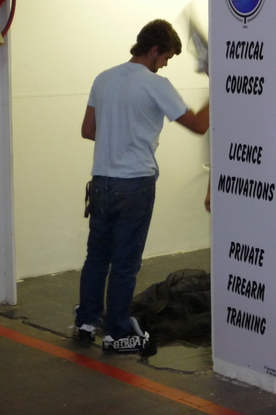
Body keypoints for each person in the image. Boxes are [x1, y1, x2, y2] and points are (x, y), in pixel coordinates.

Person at [73, 19, 209, 356]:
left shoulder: (103, 78)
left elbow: (88, 130)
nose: (165, 64)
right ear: (154, 50)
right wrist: (220, 87)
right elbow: (198, 124)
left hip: (101, 183)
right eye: (166, 57)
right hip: (134, 185)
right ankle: (117, 332)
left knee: (96, 258)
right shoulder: (155, 84)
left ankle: (86, 322)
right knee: (124, 264)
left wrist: (118, 134)